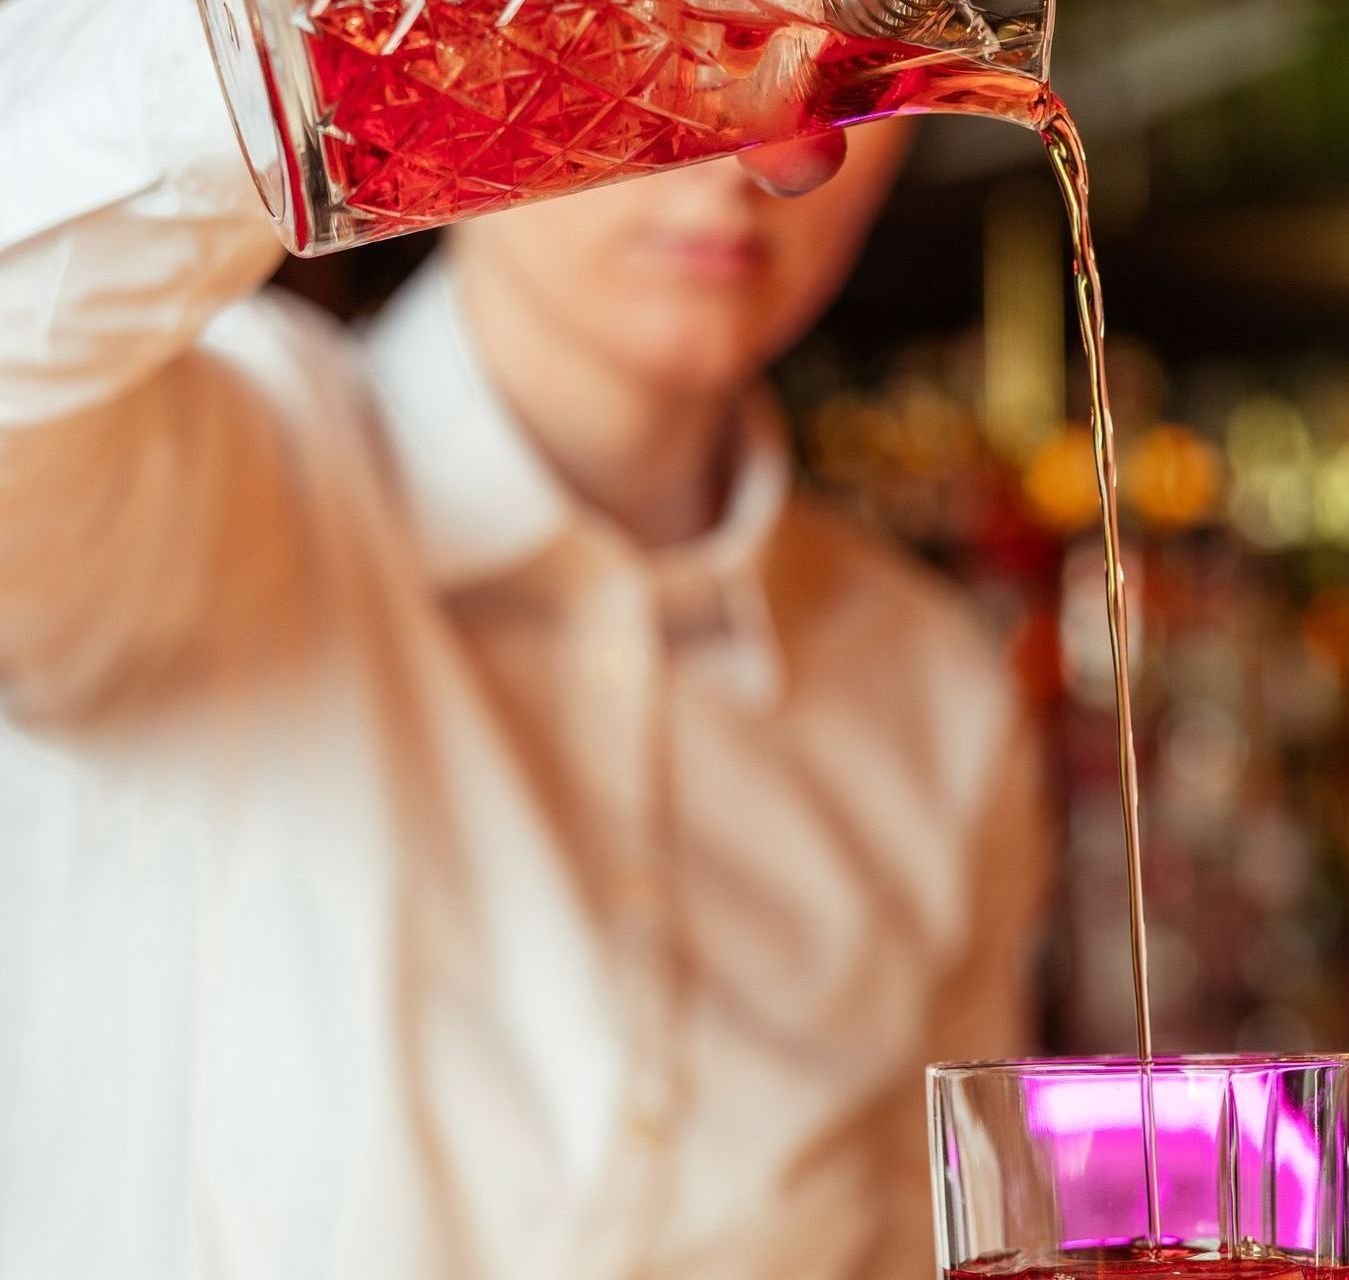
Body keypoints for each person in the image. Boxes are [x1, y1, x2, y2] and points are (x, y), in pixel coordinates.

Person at [0, 1, 1052, 1276]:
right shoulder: (191, 478)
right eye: (660, 15)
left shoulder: (937, 699)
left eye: (835, 21)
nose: (742, 110)